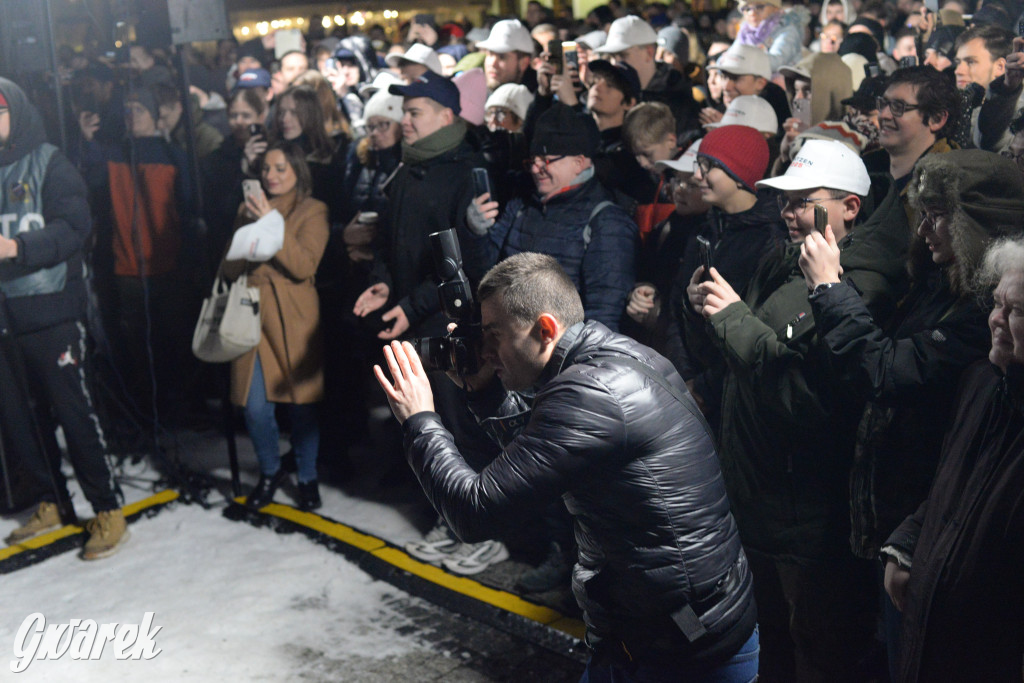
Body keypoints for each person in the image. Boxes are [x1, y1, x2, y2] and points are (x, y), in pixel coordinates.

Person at [374, 252, 759, 682]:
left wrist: (420, 420)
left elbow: (473, 512)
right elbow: (536, 455)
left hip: (685, 650)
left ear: (545, 330)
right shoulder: (612, 357)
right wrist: (483, 392)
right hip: (655, 628)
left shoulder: (591, 392)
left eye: (494, 336)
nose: (484, 352)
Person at [799, 148, 1022, 679]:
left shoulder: (979, 313)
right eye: (920, 213)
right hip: (905, 518)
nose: (923, 229)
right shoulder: (936, 283)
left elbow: (888, 371)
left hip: (929, 523)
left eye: (939, 215)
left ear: (977, 222)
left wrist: (830, 289)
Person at [690, 140, 903, 682]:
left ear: (850, 207)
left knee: (817, 648)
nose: (787, 212)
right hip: (761, 499)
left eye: (804, 201)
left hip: (804, 517)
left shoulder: (858, 284)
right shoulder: (786, 259)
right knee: (770, 642)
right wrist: (715, 312)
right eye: (784, 200)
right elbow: (752, 364)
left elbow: (807, 399)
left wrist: (734, 319)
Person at [882, 235, 1024, 682]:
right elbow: (950, 488)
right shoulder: (983, 384)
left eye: (1015, 310)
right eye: (997, 303)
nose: (995, 320)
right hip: (932, 643)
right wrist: (907, 544)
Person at [0, 77, 127, 560]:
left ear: (18, 112)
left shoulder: (50, 162)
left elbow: (75, 228)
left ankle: (107, 507)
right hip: (4, 318)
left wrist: (16, 247)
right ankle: (52, 500)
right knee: (21, 421)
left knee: (74, 413)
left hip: (48, 309)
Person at [223, 142, 329, 511]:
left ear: (298, 171)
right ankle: (270, 472)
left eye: (281, 168)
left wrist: (270, 223)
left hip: (293, 317)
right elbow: (229, 267)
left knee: (302, 407)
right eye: (266, 169)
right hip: (251, 317)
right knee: (254, 408)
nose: (271, 176)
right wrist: (246, 237)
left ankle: (307, 475)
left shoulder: (314, 210)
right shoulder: (246, 208)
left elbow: (303, 266)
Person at [468, 102, 638, 331]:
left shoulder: (606, 221)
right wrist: (477, 233)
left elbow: (603, 315)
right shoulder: (521, 205)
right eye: (533, 161)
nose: (536, 169)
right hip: (509, 347)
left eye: (546, 161)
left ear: (579, 162)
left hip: (563, 357)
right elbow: (485, 276)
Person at [594, 15, 700, 134]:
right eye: (612, 57)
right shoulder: (614, 96)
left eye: (623, 55)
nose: (615, 64)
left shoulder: (680, 101)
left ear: (649, 53)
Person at [475, 19, 536, 92]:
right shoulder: (477, 92)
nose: (492, 64)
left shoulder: (538, 98)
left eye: (502, 57)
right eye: (490, 54)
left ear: (523, 63)